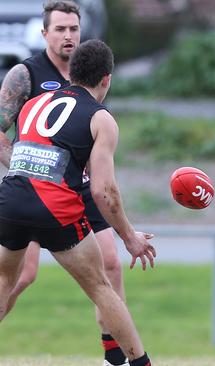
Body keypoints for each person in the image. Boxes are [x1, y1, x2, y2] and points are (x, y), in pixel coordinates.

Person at [0, 39, 154, 365]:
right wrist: (130, 237)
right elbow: (103, 191)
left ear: (71, 71)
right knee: (100, 287)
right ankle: (141, 363)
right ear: (107, 78)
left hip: (10, 199)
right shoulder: (101, 118)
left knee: (3, 281)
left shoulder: (34, 104)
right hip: (55, 207)